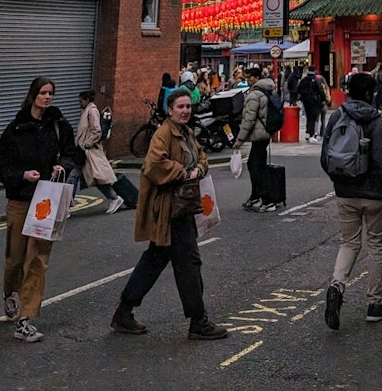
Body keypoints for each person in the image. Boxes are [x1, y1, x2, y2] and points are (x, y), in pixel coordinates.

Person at [111, 87, 226, 340]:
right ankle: (198, 322)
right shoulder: (164, 134)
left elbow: (202, 157)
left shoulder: (186, 133)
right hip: (170, 210)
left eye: (188, 106)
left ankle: (124, 311)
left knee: (155, 259)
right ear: (170, 110)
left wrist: (199, 168)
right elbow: (154, 165)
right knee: (189, 263)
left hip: (182, 207)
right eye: (180, 107)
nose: (185, 111)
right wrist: (184, 172)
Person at [0, 76, 78, 343]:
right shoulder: (16, 127)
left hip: (46, 199)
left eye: (51, 93)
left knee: (37, 259)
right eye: (43, 93)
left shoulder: (58, 125)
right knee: (15, 259)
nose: (48, 97)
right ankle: (10, 293)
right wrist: (21, 175)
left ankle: (25, 319)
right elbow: (0, 166)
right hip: (19, 199)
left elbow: (73, 154)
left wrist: (62, 164)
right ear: (33, 95)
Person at [321, 70, 382, 329]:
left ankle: (336, 286)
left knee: (349, 243)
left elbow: (325, 156)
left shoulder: (337, 116)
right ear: (368, 93)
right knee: (376, 246)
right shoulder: (375, 120)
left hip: (346, 191)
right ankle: (374, 304)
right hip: (374, 194)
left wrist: (339, 180)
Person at [232, 66, 277, 213]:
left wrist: (240, 139)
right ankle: (256, 196)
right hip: (264, 133)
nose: (248, 80)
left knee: (257, 167)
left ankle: (267, 200)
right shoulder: (267, 90)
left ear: (257, 78)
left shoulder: (254, 95)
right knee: (254, 164)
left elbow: (249, 119)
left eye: (250, 77)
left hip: (259, 134)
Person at [73, 90, 123, 213]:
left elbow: (97, 130)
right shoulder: (87, 111)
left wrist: (86, 144)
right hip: (83, 152)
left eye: (81, 101)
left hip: (89, 152)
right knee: (74, 176)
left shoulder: (92, 111)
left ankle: (114, 198)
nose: (79, 103)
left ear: (87, 100)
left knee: (98, 177)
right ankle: (68, 203)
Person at [298, 65, 326, 143]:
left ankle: (308, 132)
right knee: (314, 117)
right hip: (314, 101)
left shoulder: (304, 80)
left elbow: (299, 89)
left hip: (306, 101)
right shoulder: (315, 80)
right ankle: (311, 134)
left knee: (308, 116)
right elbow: (320, 90)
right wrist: (323, 98)